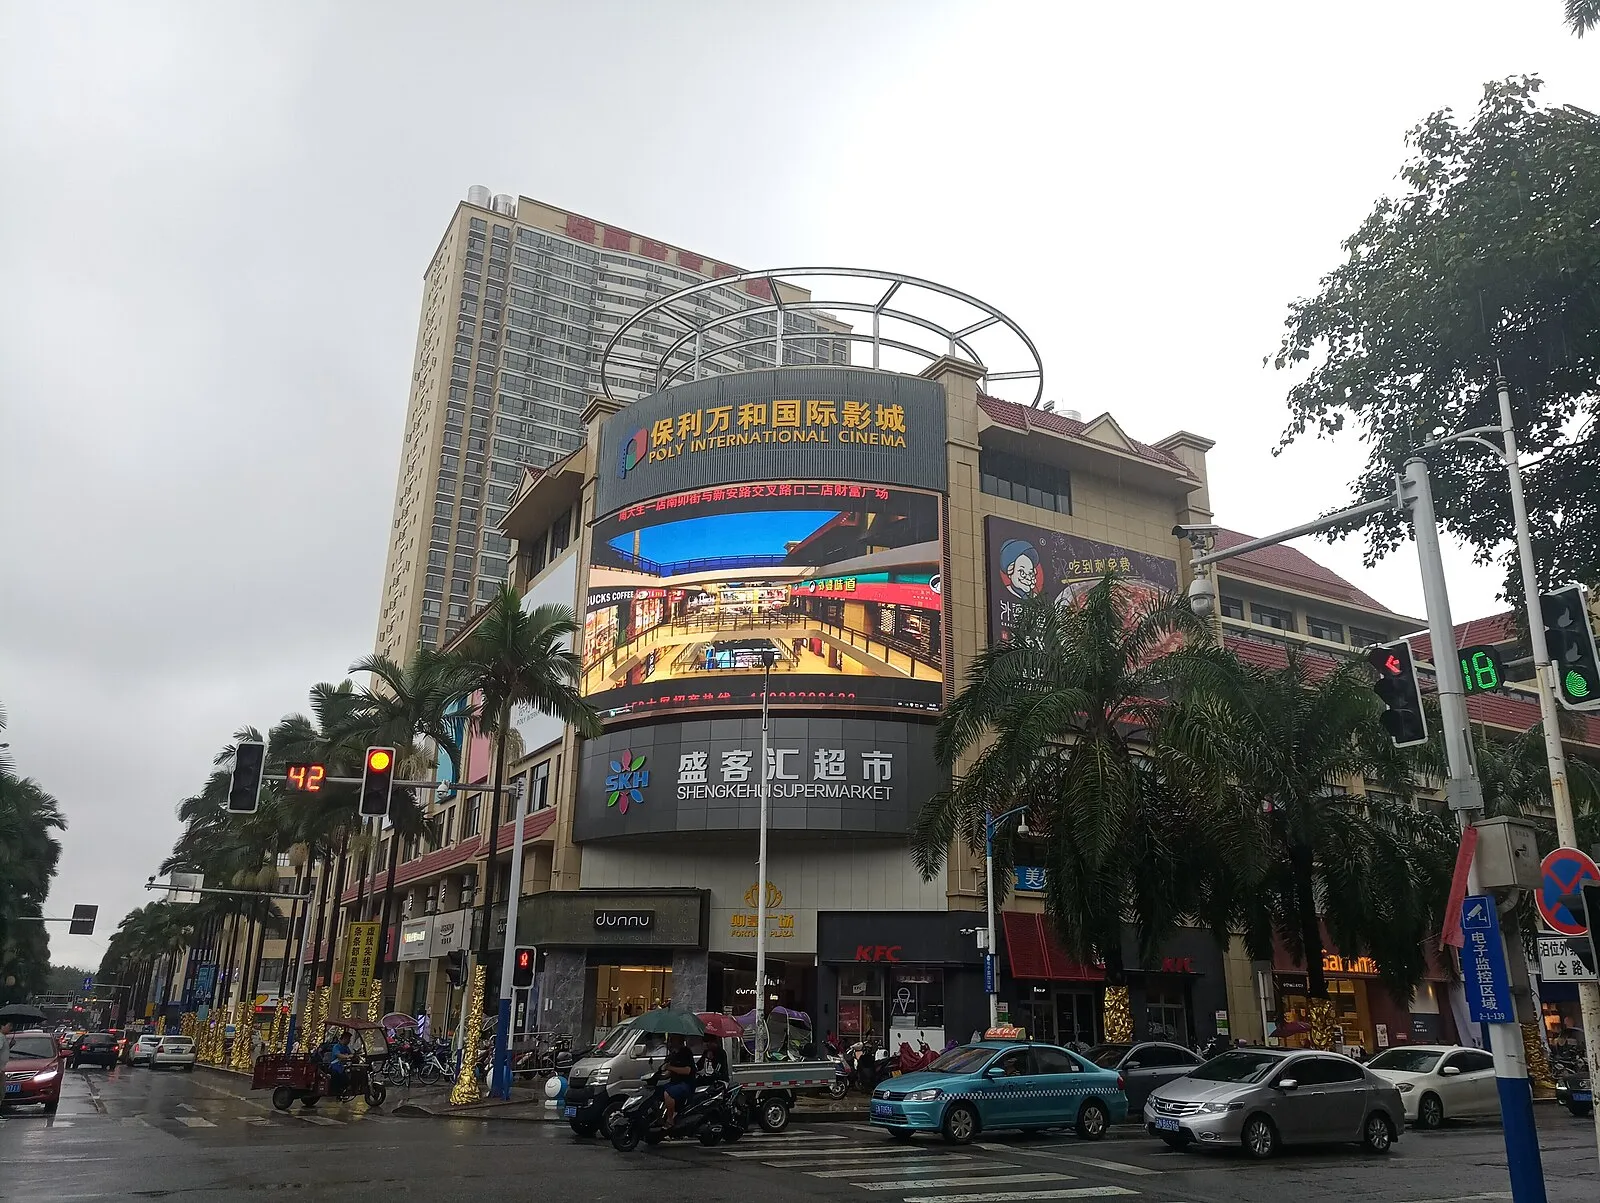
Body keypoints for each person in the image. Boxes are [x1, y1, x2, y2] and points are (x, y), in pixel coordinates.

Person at [661, 1032, 695, 1127]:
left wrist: (670, 1067)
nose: (671, 1040)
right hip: (674, 1082)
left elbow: (687, 1070)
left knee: (668, 1093)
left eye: (673, 1038)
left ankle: (670, 1120)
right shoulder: (673, 1054)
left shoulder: (686, 1052)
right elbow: (669, 1073)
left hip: (685, 1084)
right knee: (657, 1091)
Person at [319, 1028, 354, 1096]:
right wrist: (347, 1056)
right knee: (339, 1076)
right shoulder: (336, 1046)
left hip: (343, 1066)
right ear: (344, 1038)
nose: (349, 1041)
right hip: (335, 1066)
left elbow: (351, 1054)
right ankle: (336, 1092)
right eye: (348, 1039)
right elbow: (338, 1055)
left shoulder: (346, 1047)